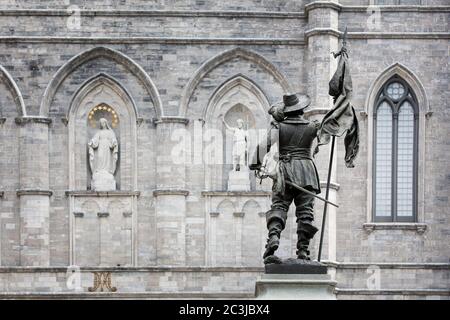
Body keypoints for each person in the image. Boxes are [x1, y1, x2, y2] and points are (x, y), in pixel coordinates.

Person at [251, 93, 321, 262]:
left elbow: (263, 146)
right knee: (305, 212)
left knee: (279, 206)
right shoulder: (312, 126)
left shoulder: (279, 127)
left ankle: (273, 238)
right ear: (301, 109)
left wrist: (255, 163)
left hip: (285, 172)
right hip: (306, 172)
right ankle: (303, 251)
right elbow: (328, 131)